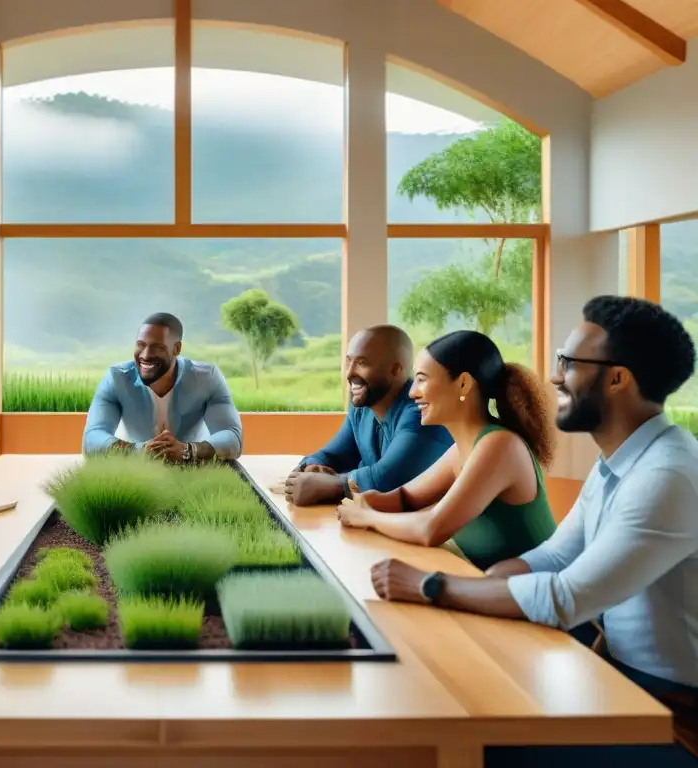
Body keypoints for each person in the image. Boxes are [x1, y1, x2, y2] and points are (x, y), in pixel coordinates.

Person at [369, 297, 698, 766]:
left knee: (478, 743)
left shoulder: (667, 476)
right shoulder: (619, 465)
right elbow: (553, 557)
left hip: (672, 715)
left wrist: (432, 586)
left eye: (569, 362)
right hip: (619, 683)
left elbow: (565, 597)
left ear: (618, 378)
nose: (554, 376)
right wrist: (488, 585)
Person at [335, 330, 557, 570]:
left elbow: (431, 528)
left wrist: (367, 517)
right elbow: (405, 499)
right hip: (499, 592)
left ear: (463, 384)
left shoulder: (500, 446)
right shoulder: (461, 450)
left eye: (422, 379)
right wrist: (367, 501)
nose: (412, 392)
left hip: (545, 601)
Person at [283, 325, 452, 507]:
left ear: (396, 370)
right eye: (349, 362)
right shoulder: (362, 407)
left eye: (362, 363)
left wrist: (331, 485)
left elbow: (385, 481)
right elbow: (332, 456)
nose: (350, 374)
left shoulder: (421, 411)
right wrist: (310, 468)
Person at [82, 312, 243, 462]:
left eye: (157, 347)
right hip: (135, 470)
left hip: (192, 469)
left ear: (177, 349)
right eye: (141, 345)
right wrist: (137, 451)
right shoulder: (116, 378)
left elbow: (232, 437)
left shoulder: (206, 378)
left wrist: (188, 450)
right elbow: (92, 438)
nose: (145, 355)